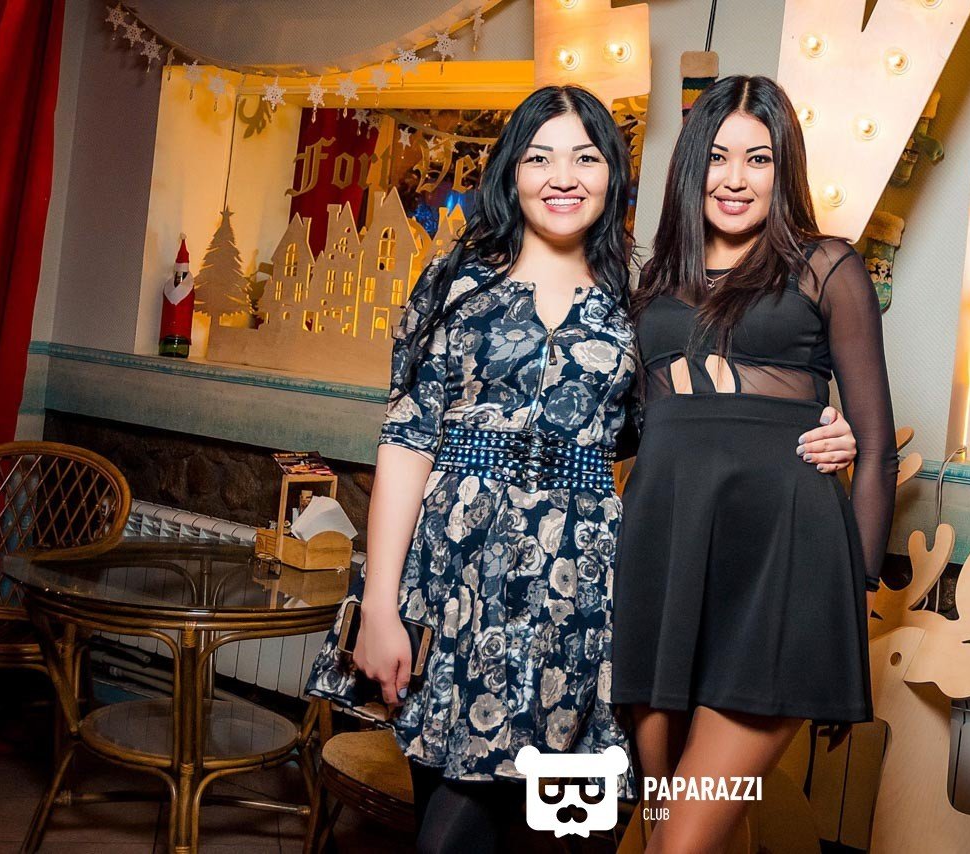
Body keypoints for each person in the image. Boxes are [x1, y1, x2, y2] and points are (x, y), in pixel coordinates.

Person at [305, 84, 857, 853]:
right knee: (450, 823)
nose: (562, 177)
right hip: (460, 577)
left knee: (548, 832)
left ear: (612, 176)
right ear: (512, 171)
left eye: (585, 158)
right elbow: (406, 439)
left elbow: (685, 422)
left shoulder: (639, 299)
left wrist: (818, 427)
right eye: (540, 158)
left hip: (581, 593)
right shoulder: (458, 283)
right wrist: (380, 605)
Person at [612, 75, 900, 853]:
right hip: (665, 568)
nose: (735, 178)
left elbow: (876, 449)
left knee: (681, 843)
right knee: (663, 830)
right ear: (691, 165)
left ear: (784, 170)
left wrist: (851, 595)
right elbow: (635, 431)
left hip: (781, 570)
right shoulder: (654, 283)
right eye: (718, 156)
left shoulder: (826, 267)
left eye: (759, 158)